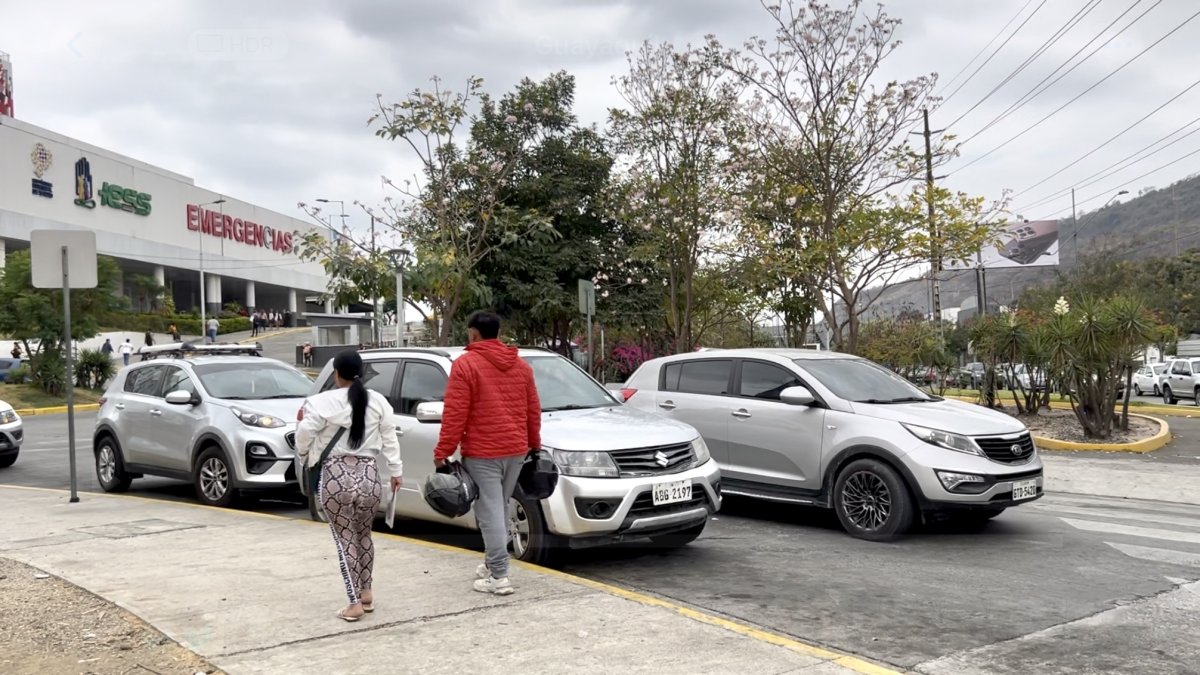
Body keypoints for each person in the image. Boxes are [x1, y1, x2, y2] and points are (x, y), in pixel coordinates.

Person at [433, 310, 541, 596]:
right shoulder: (521, 367)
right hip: (516, 450)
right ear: (498, 332)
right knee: (500, 506)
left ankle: (500, 576)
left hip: (483, 452)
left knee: (490, 511)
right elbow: (533, 411)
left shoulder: (466, 365)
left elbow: (455, 414)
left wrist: (443, 452)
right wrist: (535, 445)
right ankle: (492, 563)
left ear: (472, 334)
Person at [295, 350, 403, 623]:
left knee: (345, 540)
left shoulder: (321, 402)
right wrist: (396, 471)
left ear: (336, 374)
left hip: (336, 475)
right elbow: (390, 436)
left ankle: (353, 603)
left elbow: (305, 432)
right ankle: (366, 593)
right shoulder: (378, 401)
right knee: (364, 535)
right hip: (369, 475)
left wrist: (304, 454)